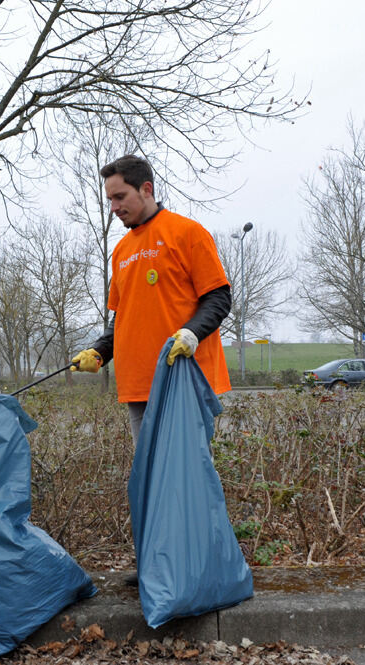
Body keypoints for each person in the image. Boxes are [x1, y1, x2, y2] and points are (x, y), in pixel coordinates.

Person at [70, 154, 232, 582]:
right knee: (151, 480)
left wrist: (192, 334)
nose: (114, 206)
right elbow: (120, 317)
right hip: (139, 385)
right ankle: (158, 566)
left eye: (120, 196)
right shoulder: (121, 250)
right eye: (109, 199)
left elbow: (218, 298)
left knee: (185, 477)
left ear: (146, 189)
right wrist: (99, 351)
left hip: (184, 380)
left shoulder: (187, 233)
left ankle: (196, 567)